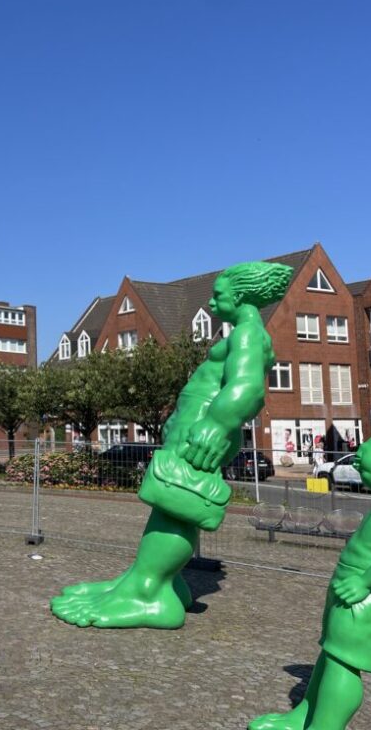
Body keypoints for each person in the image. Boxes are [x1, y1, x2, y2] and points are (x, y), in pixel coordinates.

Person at [52, 261, 293, 629]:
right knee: (170, 504)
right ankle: (149, 578)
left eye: (219, 296)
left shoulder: (247, 335)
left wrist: (215, 424)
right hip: (196, 431)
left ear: (241, 296)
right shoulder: (243, 334)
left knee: (176, 506)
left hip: (202, 435)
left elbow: (247, 387)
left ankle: (150, 595)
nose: (212, 303)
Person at [250, 432, 371, 730]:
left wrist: (363, 583)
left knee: (343, 663)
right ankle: (304, 715)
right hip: (348, 590)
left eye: (364, 462)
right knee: (330, 656)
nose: (357, 464)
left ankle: (326, 725)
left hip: (362, 597)